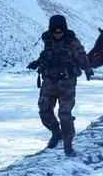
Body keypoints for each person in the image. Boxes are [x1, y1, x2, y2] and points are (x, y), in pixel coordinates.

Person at [27, 15, 93, 156]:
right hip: (49, 82)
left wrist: (87, 69)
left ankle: (68, 145)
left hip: (67, 84)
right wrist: (37, 63)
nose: (58, 34)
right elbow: (46, 55)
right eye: (55, 31)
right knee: (44, 111)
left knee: (64, 115)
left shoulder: (72, 42)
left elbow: (81, 56)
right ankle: (57, 133)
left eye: (60, 31)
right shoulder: (48, 40)